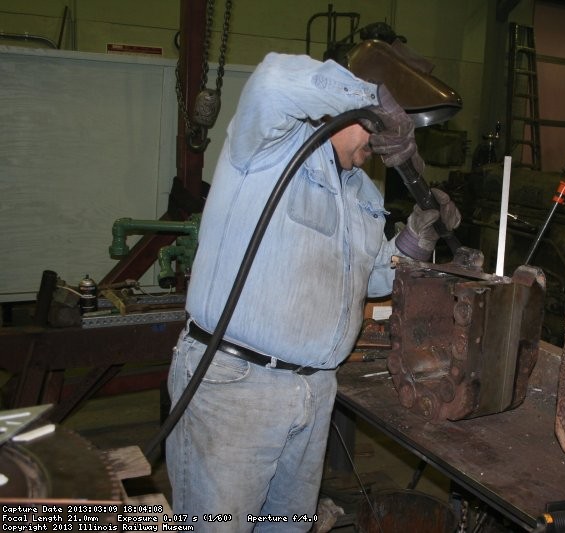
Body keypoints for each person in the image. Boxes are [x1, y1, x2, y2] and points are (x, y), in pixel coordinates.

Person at [166, 51, 460, 533]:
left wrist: (414, 240)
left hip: (314, 391)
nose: (389, 140)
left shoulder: (364, 193)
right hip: (237, 386)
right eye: (392, 122)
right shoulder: (271, 144)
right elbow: (271, 77)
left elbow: (368, 279)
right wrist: (373, 98)